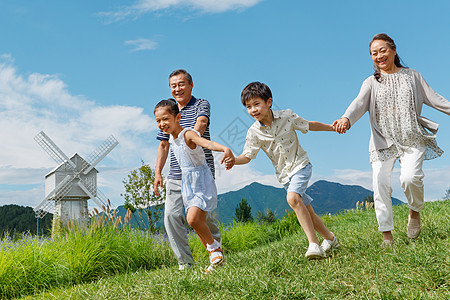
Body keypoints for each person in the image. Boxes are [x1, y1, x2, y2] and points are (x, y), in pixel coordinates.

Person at [333, 33, 450, 247]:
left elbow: (435, 99)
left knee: (410, 178)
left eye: (383, 50)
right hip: (382, 140)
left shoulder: (413, 76)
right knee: (380, 184)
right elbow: (358, 103)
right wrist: (346, 118)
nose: (379, 56)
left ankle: (414, 212)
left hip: (411, 136)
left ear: (394, 50)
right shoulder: (370, 82)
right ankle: (387, 235)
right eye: (374, 53)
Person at [227, 82, 339, 259]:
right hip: (285, 176)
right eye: (248, 107)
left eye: (257, 104)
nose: (253, 110)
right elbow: (247, 156)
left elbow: (309, 125)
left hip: (300, 165)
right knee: (306, 211)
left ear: (269, 102)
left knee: (293, 198)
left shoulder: (287, 116)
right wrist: (234, 161)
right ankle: (330, 239)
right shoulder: (253, 132)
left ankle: (313, 244)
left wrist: (332, 127)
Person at [154, 99, 234, 272]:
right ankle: (215, 256)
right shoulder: (172, 139)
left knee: (193, 219)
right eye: (158, 121)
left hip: (201, 182)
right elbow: (163, 146)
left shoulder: (188, 134)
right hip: (187, 185)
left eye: (165, 119)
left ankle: (214, 249)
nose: (162, 124)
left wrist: (224, 149)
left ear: (178, 117)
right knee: (196, 222)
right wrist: (158, 173)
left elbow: (207, 144)